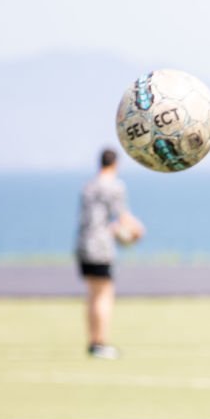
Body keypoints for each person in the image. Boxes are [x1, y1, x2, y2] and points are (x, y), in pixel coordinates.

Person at [75, 148, 144, 360]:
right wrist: (138, 230)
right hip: (100, 247)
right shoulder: (114, 186)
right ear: (115, 164)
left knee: (92, 295)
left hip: (83, 244)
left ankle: (93, 341)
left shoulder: (89, 186)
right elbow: (123, 217)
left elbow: (96, 219)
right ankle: (100, 343)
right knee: (104, 295)